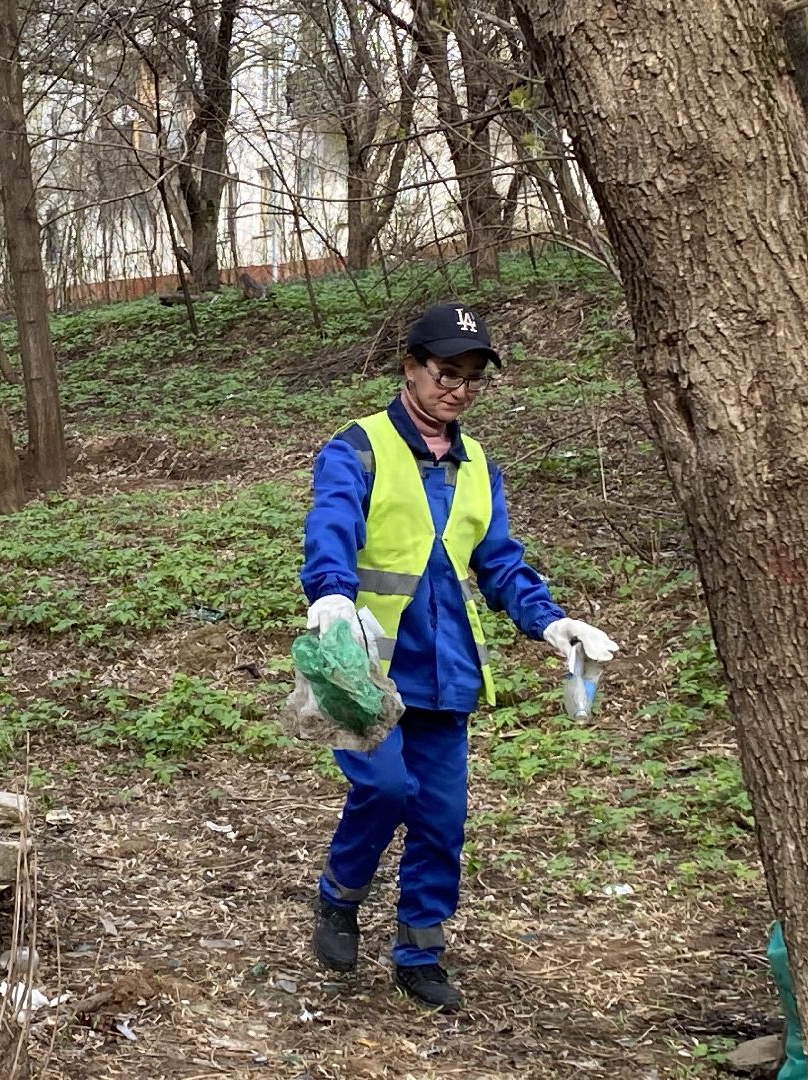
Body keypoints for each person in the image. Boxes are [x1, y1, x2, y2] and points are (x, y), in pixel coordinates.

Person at [300, 301, 615, 1010]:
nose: (459, 389)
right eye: (447, 372)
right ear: (411, 369)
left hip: (446, 670)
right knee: (384, 790)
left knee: (441, 819)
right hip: (365, 665)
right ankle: (338, 897)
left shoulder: (477, 467)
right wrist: (328, 594)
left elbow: (500, 563)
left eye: (473, 378)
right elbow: (331, 526)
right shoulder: (358, 448)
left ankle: (419, 952)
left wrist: (553, 623)